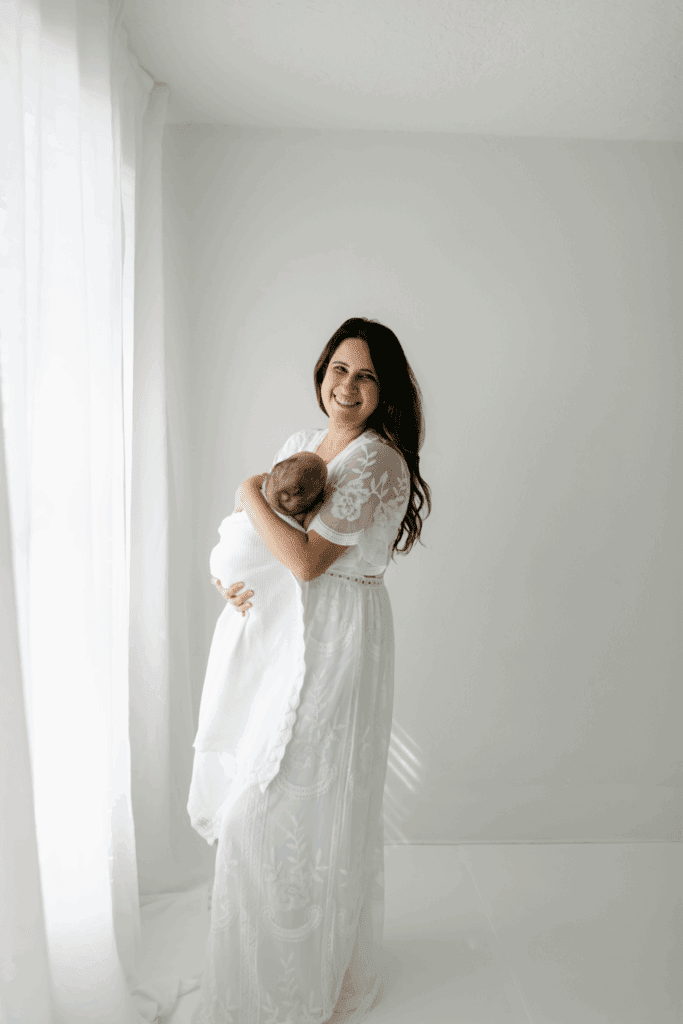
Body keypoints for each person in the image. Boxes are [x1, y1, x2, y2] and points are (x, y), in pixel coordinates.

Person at [190, 318, 432, 1024]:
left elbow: (304, 559)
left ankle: (299, 980)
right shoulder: (302, 444)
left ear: (384, 391)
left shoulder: (379, 460)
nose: (347, 387)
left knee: (296, 804)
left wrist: (243, 491)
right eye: (338, 369)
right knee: (265, 805)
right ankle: (266, 972)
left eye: (365, 376)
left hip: (339, 639)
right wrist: (233, 581)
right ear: (321, 370)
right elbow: (267, 546)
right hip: (283, 631)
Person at [187, 453, 328, 826]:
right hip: (241, 603)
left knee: (257, 704)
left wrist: (252, 493)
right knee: (238, 691)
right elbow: (242, 518)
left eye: (300, 498)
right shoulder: (291, 456)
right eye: (282, 492)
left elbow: (301, 558)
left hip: (272, 611)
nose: (288, 501)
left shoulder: (304, 505)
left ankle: (246, 810)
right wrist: (228, 574)